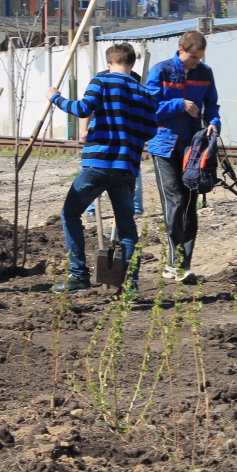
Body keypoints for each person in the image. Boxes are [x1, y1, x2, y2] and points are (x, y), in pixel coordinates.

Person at [45, 43, 157, 294]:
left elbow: (83, 109)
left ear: (109, 63)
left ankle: (78, 275)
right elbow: (150, 130)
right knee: (127, 227)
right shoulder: (145, 93)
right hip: (127, 168)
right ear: (132, 64)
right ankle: (129, 285)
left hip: (98, 164)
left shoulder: (101, 81)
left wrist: (55, 97)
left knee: (70, 213)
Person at [146, 30, 220, 285]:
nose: (195, 63)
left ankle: (182, 265)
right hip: (163, 145)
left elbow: (212, 105)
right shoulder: (161, 71)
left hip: (191, 147)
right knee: (175, 200)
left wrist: (214, 123)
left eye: (199, 59)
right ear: (181, 50)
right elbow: (149, 108)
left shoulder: (205, 73)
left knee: (190, 203)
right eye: (192, 58)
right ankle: (173, 263)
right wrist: (180, 104)